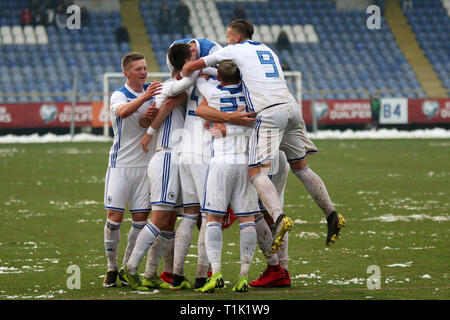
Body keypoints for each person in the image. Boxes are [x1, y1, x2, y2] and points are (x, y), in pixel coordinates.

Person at [181, 19, 346, 254]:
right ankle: (331, 213)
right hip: (291, 107)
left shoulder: (233, 49)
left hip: (269, 112)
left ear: (236, 37)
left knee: (256, 171)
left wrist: (192, 68)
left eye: (228, 36)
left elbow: (190, 68)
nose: (226, 40)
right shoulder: (267, 49)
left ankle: (279, 218)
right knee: (301, 167)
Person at [165, 42, 254, 290]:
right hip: (209, 153)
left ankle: (176, 275)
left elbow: (189, 81)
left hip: (185, 148)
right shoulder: (235, 88)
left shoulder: (194, 79)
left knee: (189, 215)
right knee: (210, 217)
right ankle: (205, 275)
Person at [119, 50, 202, 291]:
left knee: (167, 222)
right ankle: (130, 268)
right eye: (191, 60)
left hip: (178, 159)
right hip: (166, 156)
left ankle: (151, 273)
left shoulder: (185, 90)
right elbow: (166, 105)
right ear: (185, 64)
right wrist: (149, 133)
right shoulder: (173, 85)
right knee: (158, 219)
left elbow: (151, 115)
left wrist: (148, 122)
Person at [194, 60, 259, 293]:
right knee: (247, 219)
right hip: (245, 162)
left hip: (221, 161)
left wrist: (206, 68)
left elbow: (196, 75)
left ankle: (217, 272)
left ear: (219, 78)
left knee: (212, 217)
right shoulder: (250, 92)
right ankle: (243, 276)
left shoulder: (211, 90)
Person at [102, 52, 162, 288]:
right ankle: (111, 268)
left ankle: (126, 268)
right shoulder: (120, 94)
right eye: (138, 69)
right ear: (126, 73)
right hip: (121, 166)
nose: (143, 72)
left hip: (145, 167)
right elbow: (122, 112)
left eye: (145, 68)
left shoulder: (152, 93)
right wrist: (144, 98)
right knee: (114, 218)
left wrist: (149, 117)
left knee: (140, 220)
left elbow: (144, 123)